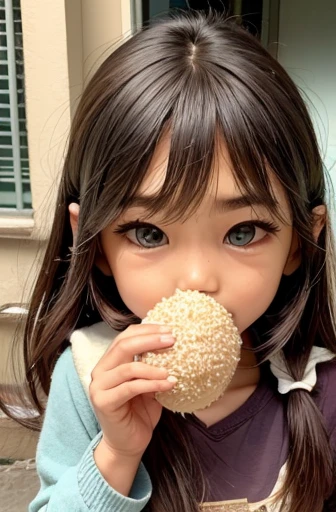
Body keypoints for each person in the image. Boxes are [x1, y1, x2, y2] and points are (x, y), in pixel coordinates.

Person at [7, 10, 336, 512]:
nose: (197, 279)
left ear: (298, 243)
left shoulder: (323, 389)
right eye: (149, 232)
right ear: (94, 244)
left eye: (243, 232)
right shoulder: (88, 377)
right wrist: (116, 454)